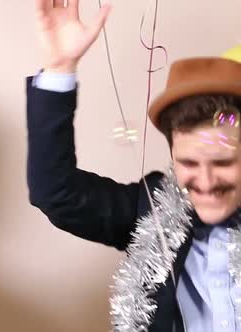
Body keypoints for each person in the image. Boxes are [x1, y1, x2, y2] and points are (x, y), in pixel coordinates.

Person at [27, 0, 241, 331]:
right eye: (188, 162)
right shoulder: (153, 209)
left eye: (223, 162)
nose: (206, 180)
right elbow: (57, 192)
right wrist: (60, 67)